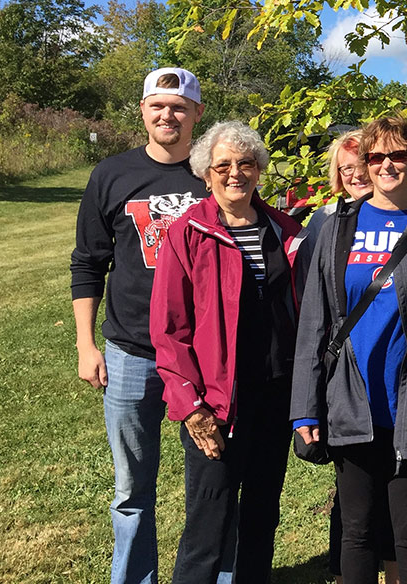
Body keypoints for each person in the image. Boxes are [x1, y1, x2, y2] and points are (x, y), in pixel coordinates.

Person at [291, 115, 407, 584]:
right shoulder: (336, 228)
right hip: (352, 400)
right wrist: (304, 410)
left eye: (398, 155)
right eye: (377, 156)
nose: (387, 165)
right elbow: (314, 323)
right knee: (357, 531)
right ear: (365, 164)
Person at [150, 121, 306, 582]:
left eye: (245, 163)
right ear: (206, 173)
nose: (235, 173)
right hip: (217, 405)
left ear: (258, 169)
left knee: (262, 518)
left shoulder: (285, 230)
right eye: (223, 165)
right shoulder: (187, 233)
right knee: (208, 527)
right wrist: (192, 410)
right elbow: (169, 330)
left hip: (275, 397)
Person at [69, 67, 205, 584]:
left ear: (196, 113)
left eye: (179, 106)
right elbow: (88, 261)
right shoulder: (112, 175)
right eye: (158, 105)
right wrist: (86, 344)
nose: (167, 115)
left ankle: (211, 571)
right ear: (144, 111)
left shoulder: (212, 172)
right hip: (131, 351)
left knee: (209, 480)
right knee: (131, 488)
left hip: (201, 353)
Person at [299, 129, 402, 584]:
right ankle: (349, 571)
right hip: (343, 371)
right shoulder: (325, 224)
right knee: (353, 490)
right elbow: (312, 303)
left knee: (394, 486)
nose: (357, 176)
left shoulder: (403, 218)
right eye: (346, 171)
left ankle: (392, 565)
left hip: (393, 369)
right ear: (337, 177)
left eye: (362, 167)